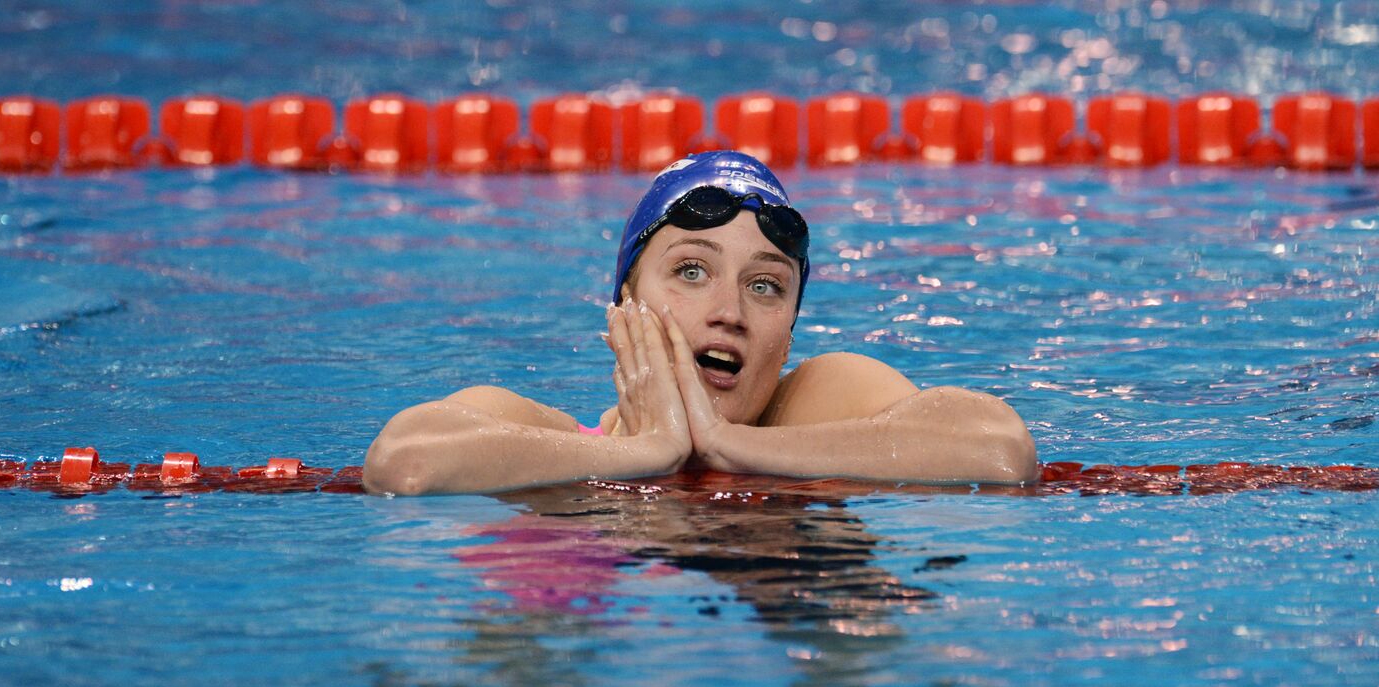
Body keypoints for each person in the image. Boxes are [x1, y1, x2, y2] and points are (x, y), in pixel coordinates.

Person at [363, 150, 1037, 496]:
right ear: (624, 300)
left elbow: (999, 452)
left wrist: (726, 446)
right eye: (691, 271)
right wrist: (642, 453)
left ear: (791, 330)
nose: (729, 311)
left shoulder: (811, 407)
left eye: (766, 285)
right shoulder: (541, 434)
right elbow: (404, 463)